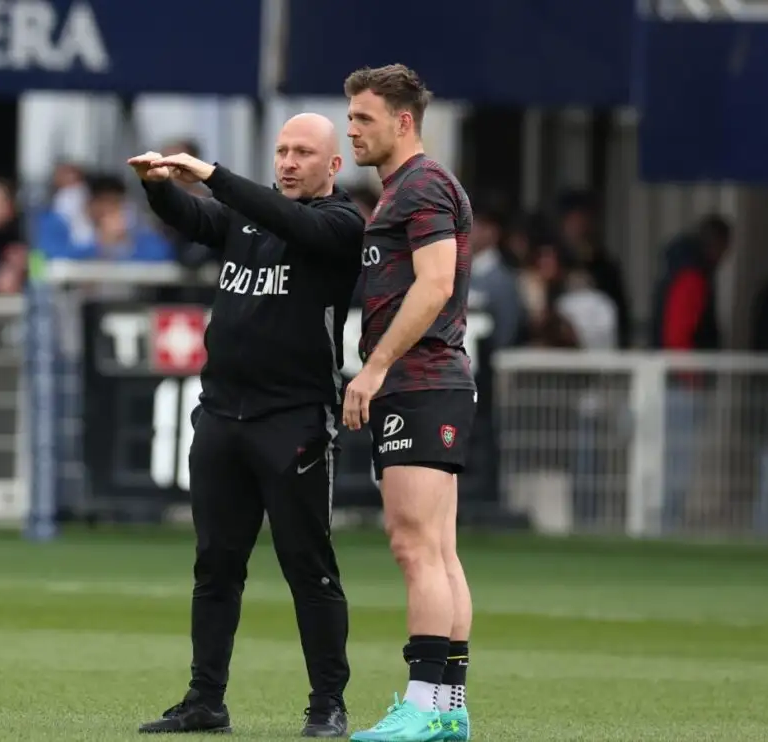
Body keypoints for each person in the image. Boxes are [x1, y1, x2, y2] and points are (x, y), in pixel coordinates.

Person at [128, 113, 365, 738]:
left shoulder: (342, 222)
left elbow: (288, 221)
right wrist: (158, 187)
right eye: (282, 150)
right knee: (215, 566)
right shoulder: (250, 217)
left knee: (308, 567)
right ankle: (205, 700)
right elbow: (197, 219)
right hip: (222, 414)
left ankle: (328, 706)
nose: (288, 161)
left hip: (293, 420)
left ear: (333, 166)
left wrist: (212, 175)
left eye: (303, 152)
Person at [340, 64, 477, 742]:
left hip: (420, 382)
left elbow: (435, 283)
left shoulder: (420, 186)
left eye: (363, 118)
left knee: (414, 546)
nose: (351, 129)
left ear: (402, 121)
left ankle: (422, 706)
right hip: (434, 383)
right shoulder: (406, 188)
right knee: (439, 551)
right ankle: (448, 708)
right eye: (349, 117)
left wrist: (374, 368)